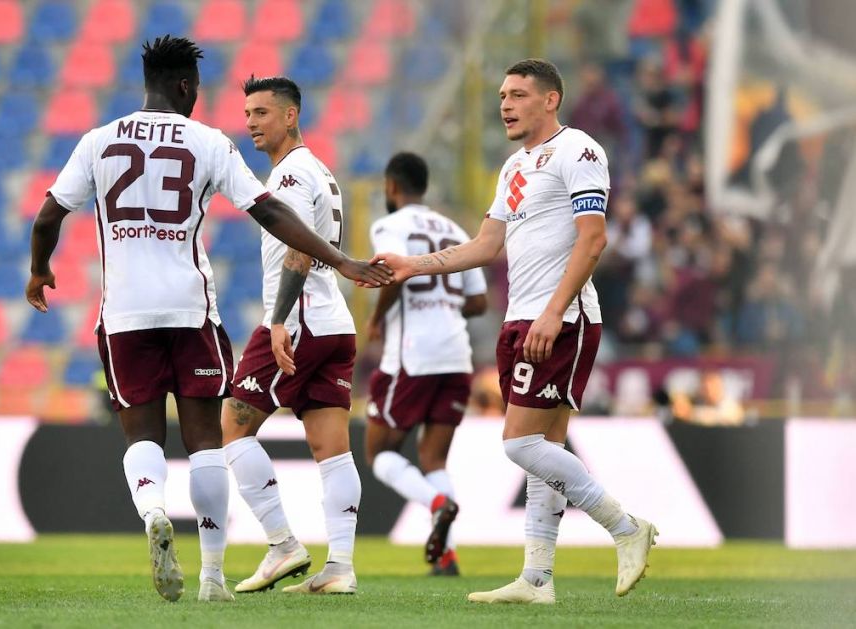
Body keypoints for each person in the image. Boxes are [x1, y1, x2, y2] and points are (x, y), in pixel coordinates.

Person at [26, 38, 390, 604]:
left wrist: (38, 270)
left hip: (125, 313)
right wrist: (341, 259)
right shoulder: (209, 142)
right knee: (209, 444)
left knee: (148, 433)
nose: (246, 121)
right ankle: (214, 577)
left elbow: (49, 214)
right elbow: (267, 210)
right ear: (187, 87)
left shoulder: (98, 140)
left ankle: (156, 512)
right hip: (194, 310)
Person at [371, 59, 657, 605]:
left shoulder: (580, 150)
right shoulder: (513, 167)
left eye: (519, 94)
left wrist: (554, 311)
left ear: (550, 100)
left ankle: (625, 527)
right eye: (502, 94)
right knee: (543, 449)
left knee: (520, 444)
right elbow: (485, 246)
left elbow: (592, 240)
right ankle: (538, 578)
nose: (505, 103)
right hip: (520, 319)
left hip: (561, 319)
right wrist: (415, 266)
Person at [220, 76, 361, 596]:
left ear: (291, 115)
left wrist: (278, 319)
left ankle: (282, 544)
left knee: (232, 429)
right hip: (334, 323)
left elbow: (298, 251)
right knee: (332, 450)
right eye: (248, 113)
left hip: (299, 319)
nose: (251, 122)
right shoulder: (319, 170)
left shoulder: (291, 177)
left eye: (261, 113)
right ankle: (340, 567)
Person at [364, 152, 487, 577]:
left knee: (379, 451)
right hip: (457, 355)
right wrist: (445, 306)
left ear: (391, 187)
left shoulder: (389, 225)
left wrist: (377, 319)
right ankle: (447, 556)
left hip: (413, 354)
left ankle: (436, 504)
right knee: (433, 458)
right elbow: (479, 300)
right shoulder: (455, 228)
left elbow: (393, 275)